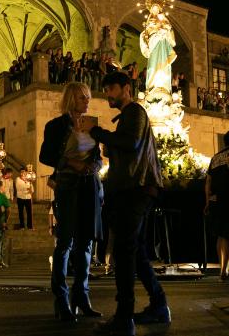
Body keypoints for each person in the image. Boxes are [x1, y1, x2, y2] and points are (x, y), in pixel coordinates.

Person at [90, 71, 170, 336]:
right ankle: (159, 305)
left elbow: (131, 142)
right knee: (136, 252)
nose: (108, 94)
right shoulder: (128, 116)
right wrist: (110, 146)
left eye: (111, 88)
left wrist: (99, 133)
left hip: (136, 189)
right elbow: (126, 147)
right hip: (135, 188)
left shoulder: (135, 111)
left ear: (126, 88)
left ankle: (125, 319)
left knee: (124, 253)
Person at [39, 81, 104, 323]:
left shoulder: (92, 126)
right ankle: (61, 299)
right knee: (65, 241)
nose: (86, 102)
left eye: (87, 98)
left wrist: (91, 166)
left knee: (86, 243)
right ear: (70, 100)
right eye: (81, 98)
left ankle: (82, 296)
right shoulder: (56, 126)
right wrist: (68, 163)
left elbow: (98, 157)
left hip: (89, 186)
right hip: (68, 187)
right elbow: (45, 155)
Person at [204, 131, 229, 281]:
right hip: (228, 199)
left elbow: (208, 182)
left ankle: (222, 268)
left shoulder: (215, 158)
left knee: (221, 235)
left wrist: (207, 201)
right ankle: (224, 271)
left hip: (216, 201)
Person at [140, 2, 177, 102]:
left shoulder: (163, 18)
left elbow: (169, 30)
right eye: (153, 8)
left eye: (157, 8)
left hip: (162, 42)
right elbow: (146, 34)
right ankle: (152, 87)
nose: (155, 10)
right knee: (153, 65)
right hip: (153, 42)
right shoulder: (149, 22)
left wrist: (164, 28)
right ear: (151, 10)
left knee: (163, 64)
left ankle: (163, 87)